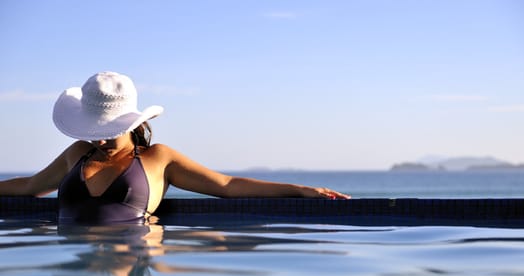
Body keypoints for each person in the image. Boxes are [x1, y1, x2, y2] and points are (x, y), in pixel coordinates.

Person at [0, 72, 350, 224]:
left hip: (131, 262)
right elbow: (30, 187)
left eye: (109, 131)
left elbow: (227, 186)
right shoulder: (77, 154)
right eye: (94, 131)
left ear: (133, 122)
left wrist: (301, 191)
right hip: (74, 266)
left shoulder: (159, 158)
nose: (100, 140)